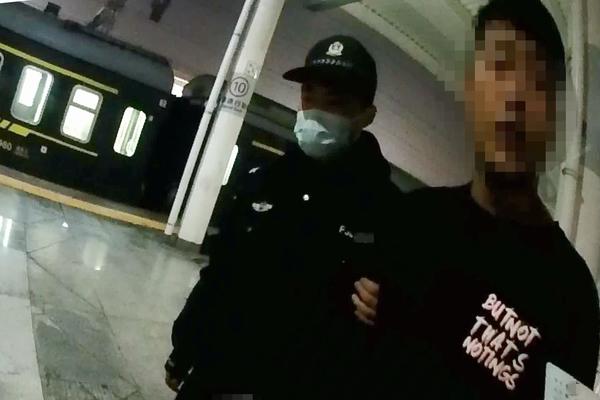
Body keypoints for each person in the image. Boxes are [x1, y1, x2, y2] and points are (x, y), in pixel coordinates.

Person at [352, 0, 600, 398]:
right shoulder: (411, 220)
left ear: (554, 118)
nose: (515, 95)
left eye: (537, 80)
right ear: (471, 92)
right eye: (499, 68)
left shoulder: (572, 296)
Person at [165, 35, 399, 399]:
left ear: (365, 116)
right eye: (309, 96)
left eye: (335, 102)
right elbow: (219, 275)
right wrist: (184, 348)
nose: (316, 112)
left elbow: (388, 333)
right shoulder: (264, 182)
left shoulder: (389, 213)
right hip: (216, 375)